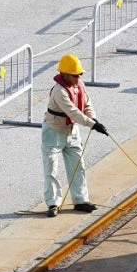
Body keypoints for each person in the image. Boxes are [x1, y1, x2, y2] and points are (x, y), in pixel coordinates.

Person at [41, 54, 109, 217]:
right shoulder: (59, 91)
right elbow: (72, 111)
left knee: (78, 165)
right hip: (54, 132)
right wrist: (92, 125)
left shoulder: (80, 85)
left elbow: (86, 104)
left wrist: (93, 118)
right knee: (51, 168)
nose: (78, 77)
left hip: (72, 131)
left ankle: (80, 200)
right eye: (75, 75)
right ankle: (53, 203)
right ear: (64, 74)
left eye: (79, 75)